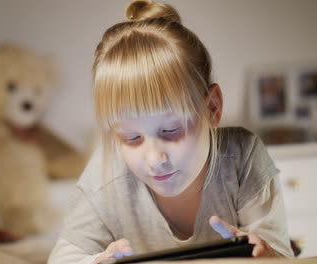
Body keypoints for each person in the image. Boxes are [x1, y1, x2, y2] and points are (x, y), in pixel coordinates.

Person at [48, 1, 294, 263]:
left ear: (211, 107)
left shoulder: (241, 157)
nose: (154, 158)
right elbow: (63, 258)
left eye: (171, 129)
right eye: (131, 137)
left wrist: (265, 255)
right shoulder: (106, 172)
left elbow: (280, 255)